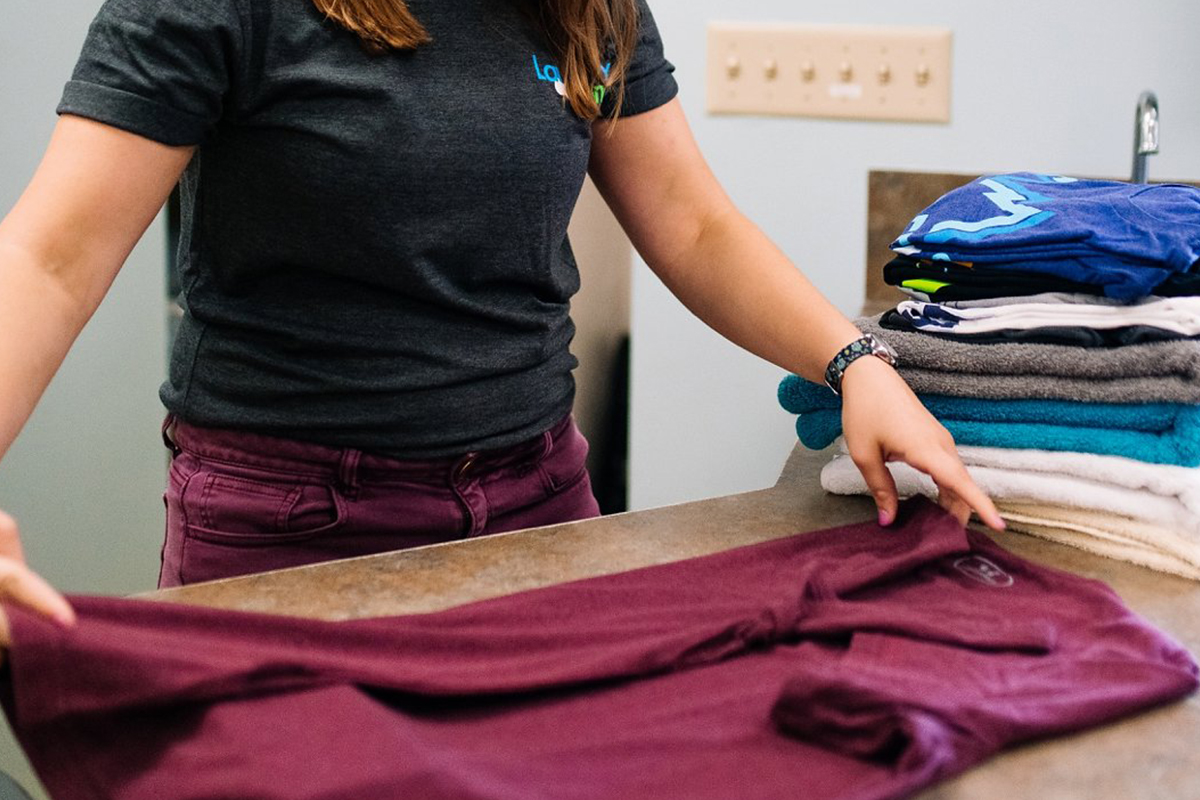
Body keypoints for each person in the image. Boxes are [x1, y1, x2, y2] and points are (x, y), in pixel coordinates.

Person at [0, 0, 1002, 640]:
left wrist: (857, 360)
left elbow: (693, 226)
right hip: (290, 528)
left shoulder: (587, 9)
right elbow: (50, 258)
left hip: (540, 504)